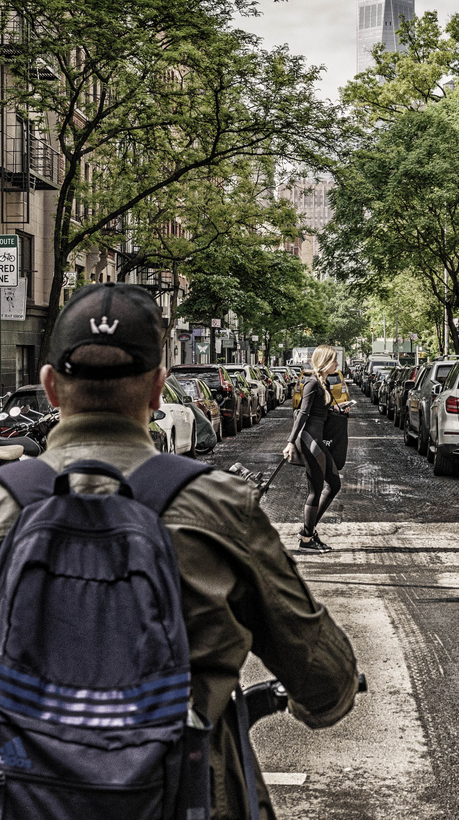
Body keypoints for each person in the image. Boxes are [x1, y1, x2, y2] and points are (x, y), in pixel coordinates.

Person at [0, 283, 358, 820]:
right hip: (187, 799)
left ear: (50, 388)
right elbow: (327, 680)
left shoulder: (5, 504)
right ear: (157, 390)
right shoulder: (215, 505)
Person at [283, 345, 348, 554]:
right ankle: (307, 539)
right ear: (325, 362)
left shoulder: (324, 383)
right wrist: (291, 442)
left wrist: (337, 409)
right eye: (334, 361)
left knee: (334, 484)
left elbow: (321, 411)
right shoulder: (311, 383)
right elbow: (302, 414)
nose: (337, 365)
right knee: (316, 489)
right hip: (310, 440)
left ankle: (307, 531)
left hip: (318, 440)